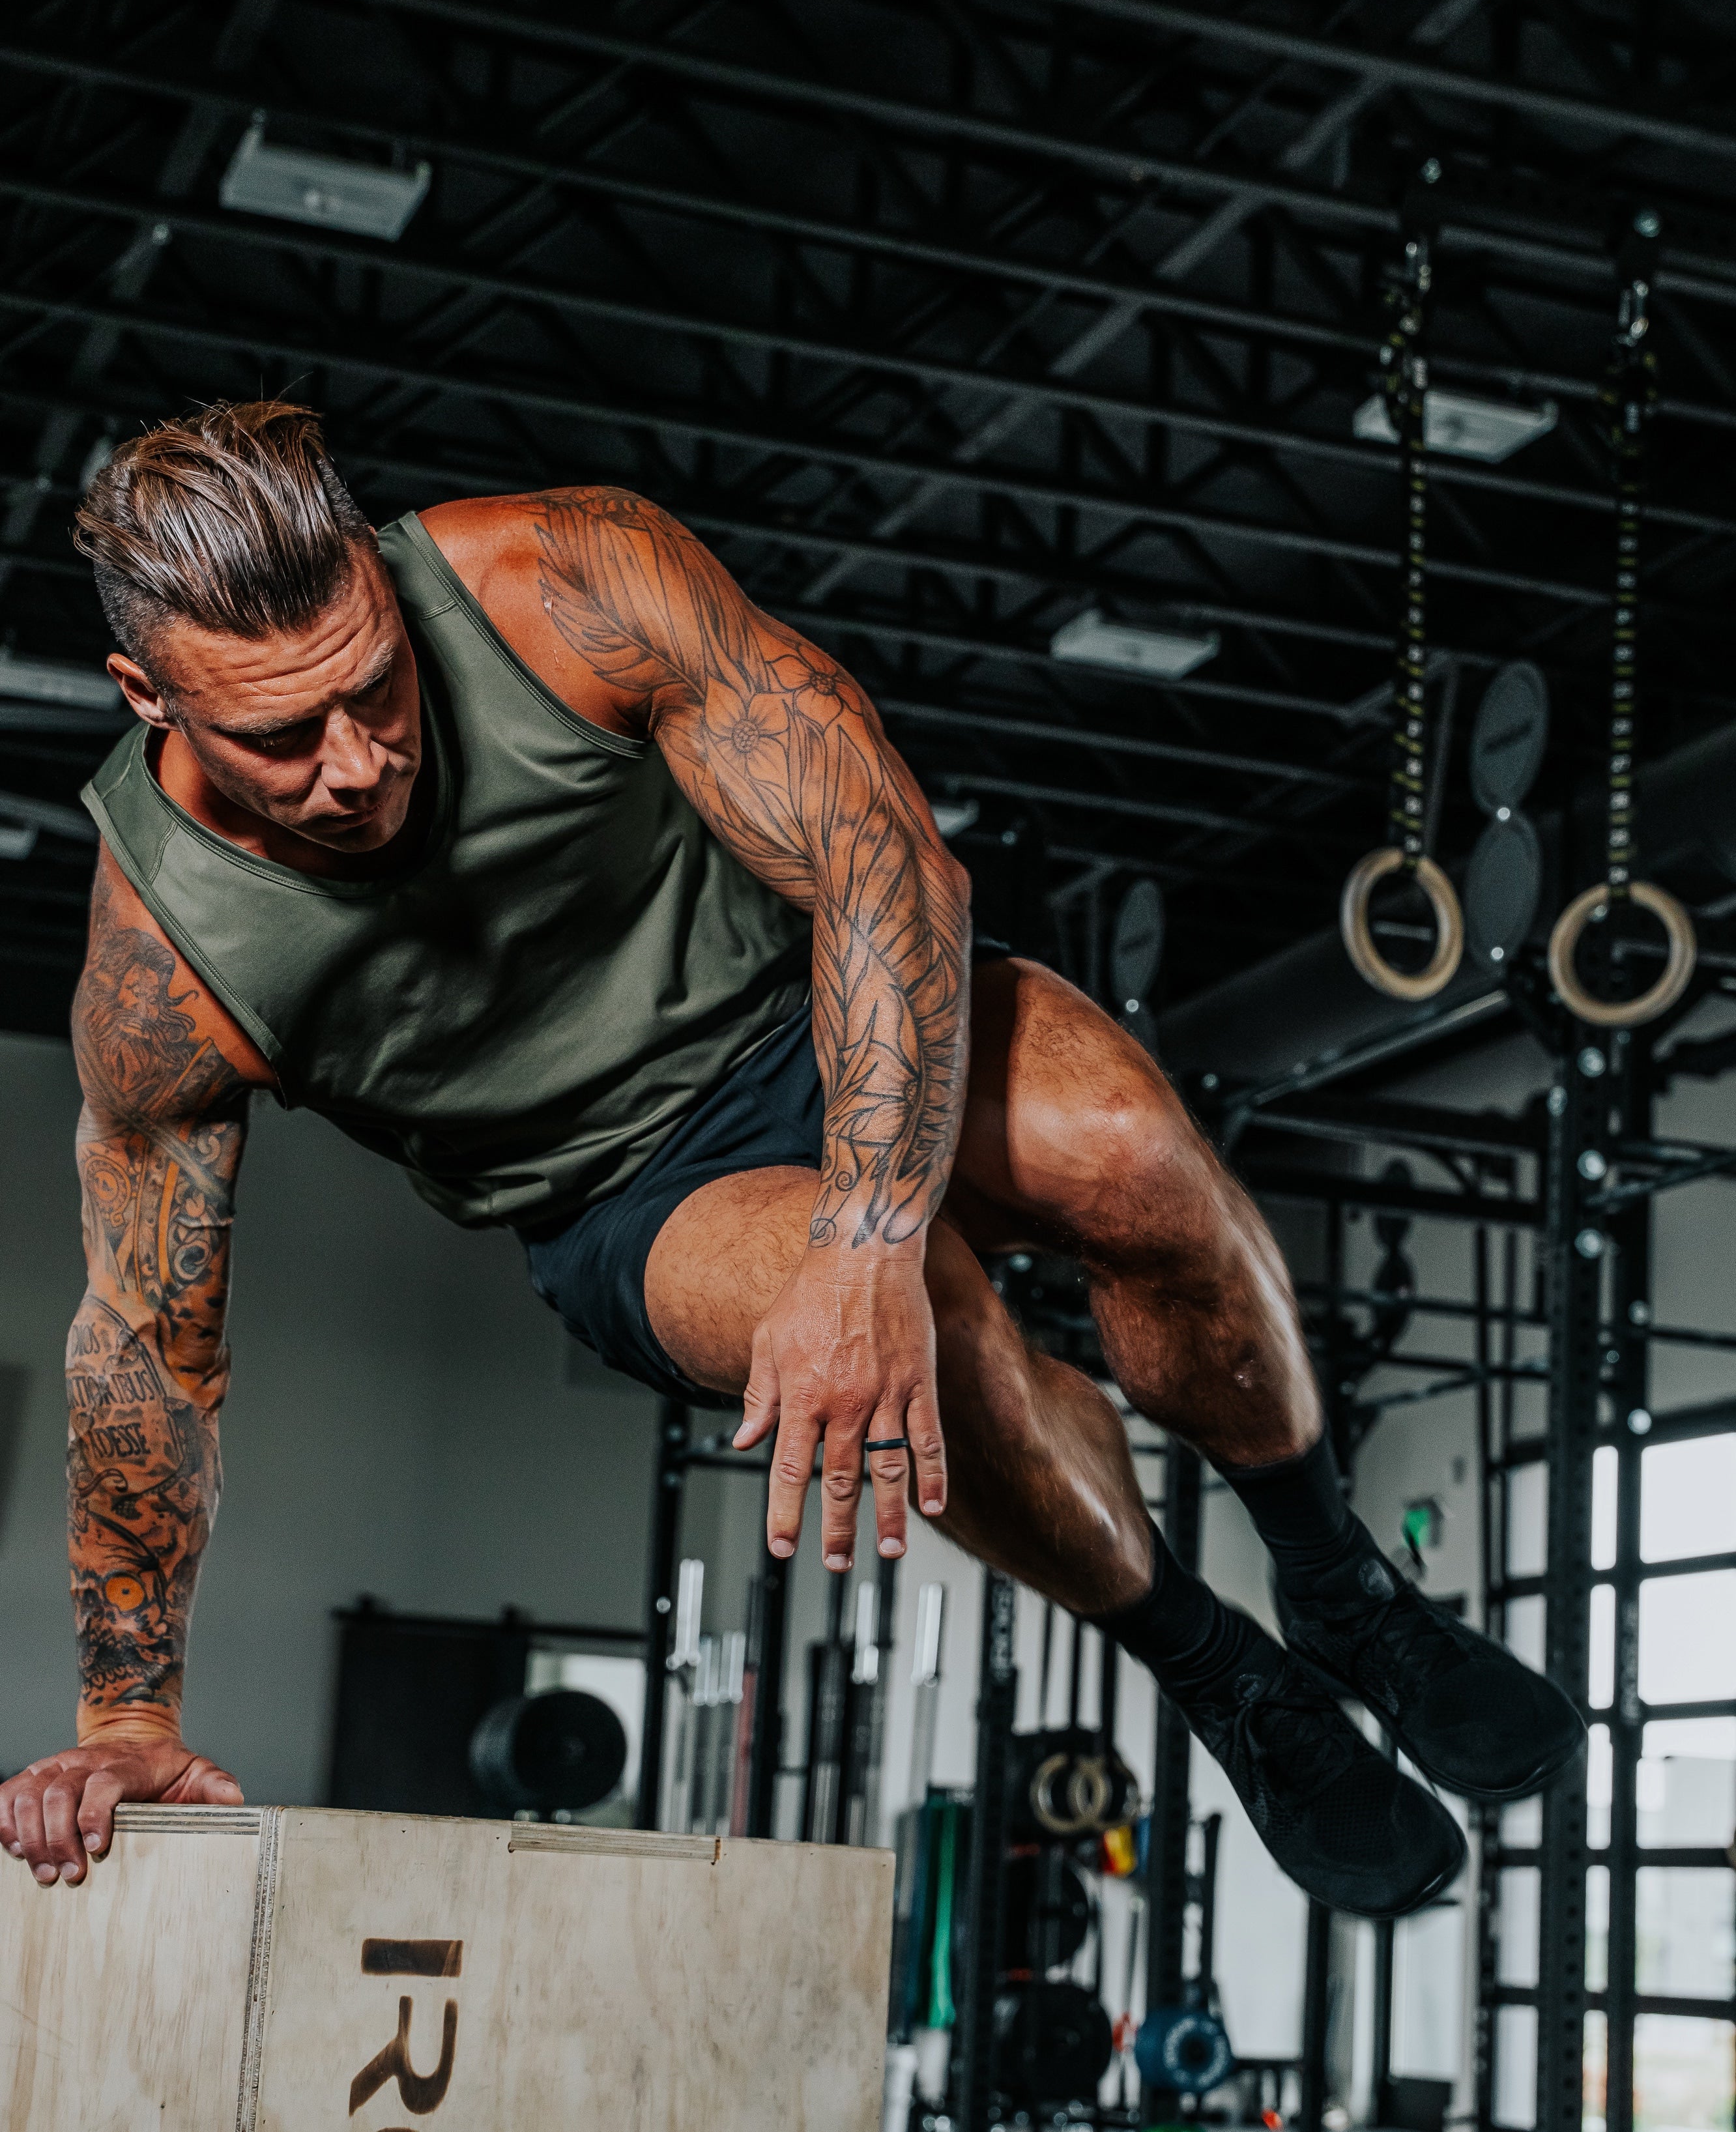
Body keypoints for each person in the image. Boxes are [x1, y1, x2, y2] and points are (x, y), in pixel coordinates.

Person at [0, 403, 1580, 1916]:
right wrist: (128, 1718)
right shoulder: (169, 970)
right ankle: (1233, 1683)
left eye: (380, 690)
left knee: (1132, 1153)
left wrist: (868, 1229)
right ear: (153, 699)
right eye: (285, 736)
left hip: (826, 997)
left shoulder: (568, 580)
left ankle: (1342, 1587)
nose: (358, 762)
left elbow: (879, 850)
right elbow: (146, 1347)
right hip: (631, 1190)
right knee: (941, 1343)